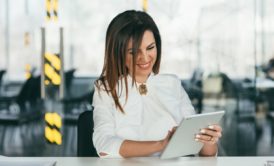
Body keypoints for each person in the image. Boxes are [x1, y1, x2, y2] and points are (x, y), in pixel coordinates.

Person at [92, 10, 222, 158]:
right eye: (134, 52)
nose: (145, 58)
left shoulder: (172, 84)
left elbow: (201, 151)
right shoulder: (106, 89)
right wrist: (161, 145)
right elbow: (104, 146)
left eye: (150, 48)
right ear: (118, 52)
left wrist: (208, 141)